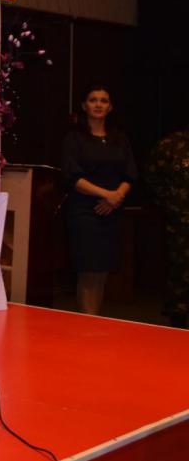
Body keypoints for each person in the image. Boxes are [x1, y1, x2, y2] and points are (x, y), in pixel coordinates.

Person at [60, 86, 138, 316]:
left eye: (104, 101)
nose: (98, 104)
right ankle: (87, 325)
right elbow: (72, 177)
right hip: (84, 211)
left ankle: (95, 321)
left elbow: (130, 174)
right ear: (84, 106)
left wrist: (117, 196)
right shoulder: (74, 138)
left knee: (102, 271)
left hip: (112, 210)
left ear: (110, 107)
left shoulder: (120, 138)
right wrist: (106, 194)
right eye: (93, 100)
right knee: (88, 271)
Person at [145, 129, 189, 328]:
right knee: (181, 271)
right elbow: (152, 178)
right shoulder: (171, 144)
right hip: (182, 223)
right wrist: (173, 205)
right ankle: (178, 323)